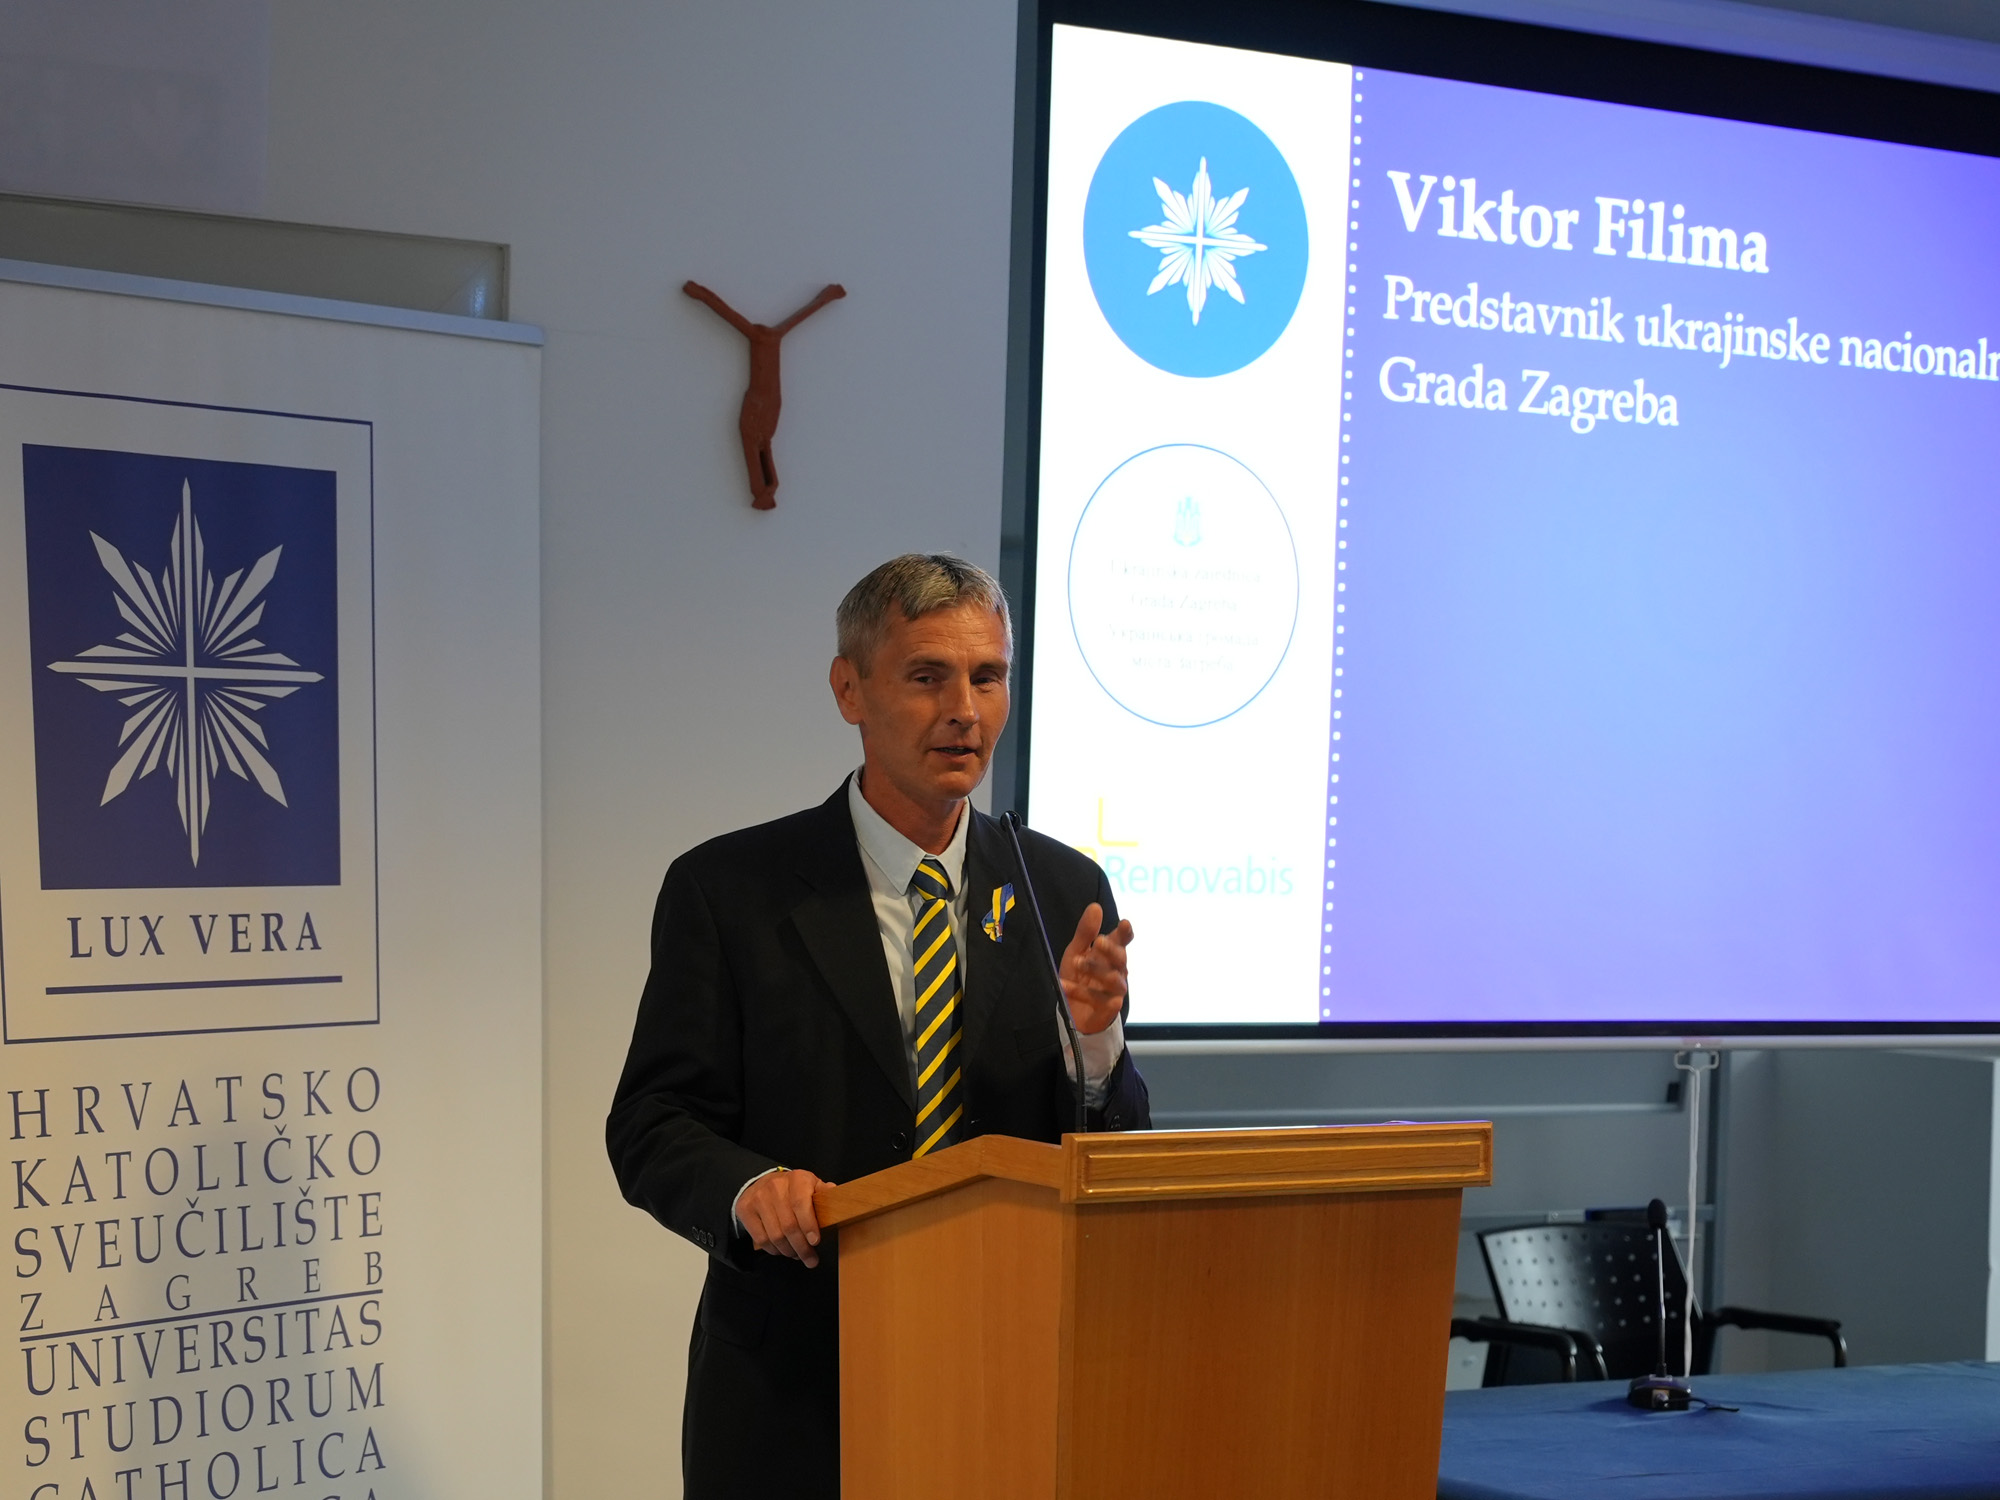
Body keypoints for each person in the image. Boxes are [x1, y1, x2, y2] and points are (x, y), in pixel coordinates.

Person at [606, 553, 1150, 1499]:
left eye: (988, 677)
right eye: (927, 676)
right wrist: (749, 1187)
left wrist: (1096, 1049)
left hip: (1004, 1370)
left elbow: (1111, 1149)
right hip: (795, 1386)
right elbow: (652, 1123)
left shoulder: (1063, 888)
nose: (965, 710)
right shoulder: (729, 890)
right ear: (849, 689)